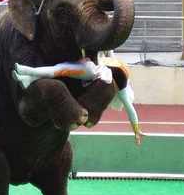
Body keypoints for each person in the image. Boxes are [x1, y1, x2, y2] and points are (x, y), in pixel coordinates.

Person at [12, 51, 143, 146]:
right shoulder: (122, 85)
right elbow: (131, 110)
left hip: (91, 65)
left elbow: (110, 53)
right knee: (59, 70)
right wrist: (136, 132)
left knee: (59, 70)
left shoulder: (120, 74)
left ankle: (28, 75)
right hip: (92, 68)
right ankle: (28, 74)